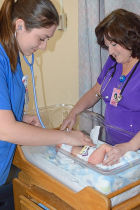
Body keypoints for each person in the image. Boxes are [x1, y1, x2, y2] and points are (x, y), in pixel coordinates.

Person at [0, 0, 93, 189]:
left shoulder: (12, 56)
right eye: (42, 38)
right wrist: (65, 137)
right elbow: (6, 129)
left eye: (47, 40)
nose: (43, 47)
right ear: (19, 25)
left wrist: (21, 117)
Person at [61, 9, 140, 166]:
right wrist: (73, 113)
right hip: (112, 147)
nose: (110, 52)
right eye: (108, 46)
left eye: (114, 44)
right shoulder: (113, 63)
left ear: (131, 37)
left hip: (134, 151)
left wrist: (130, 147)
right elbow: (96, 91)